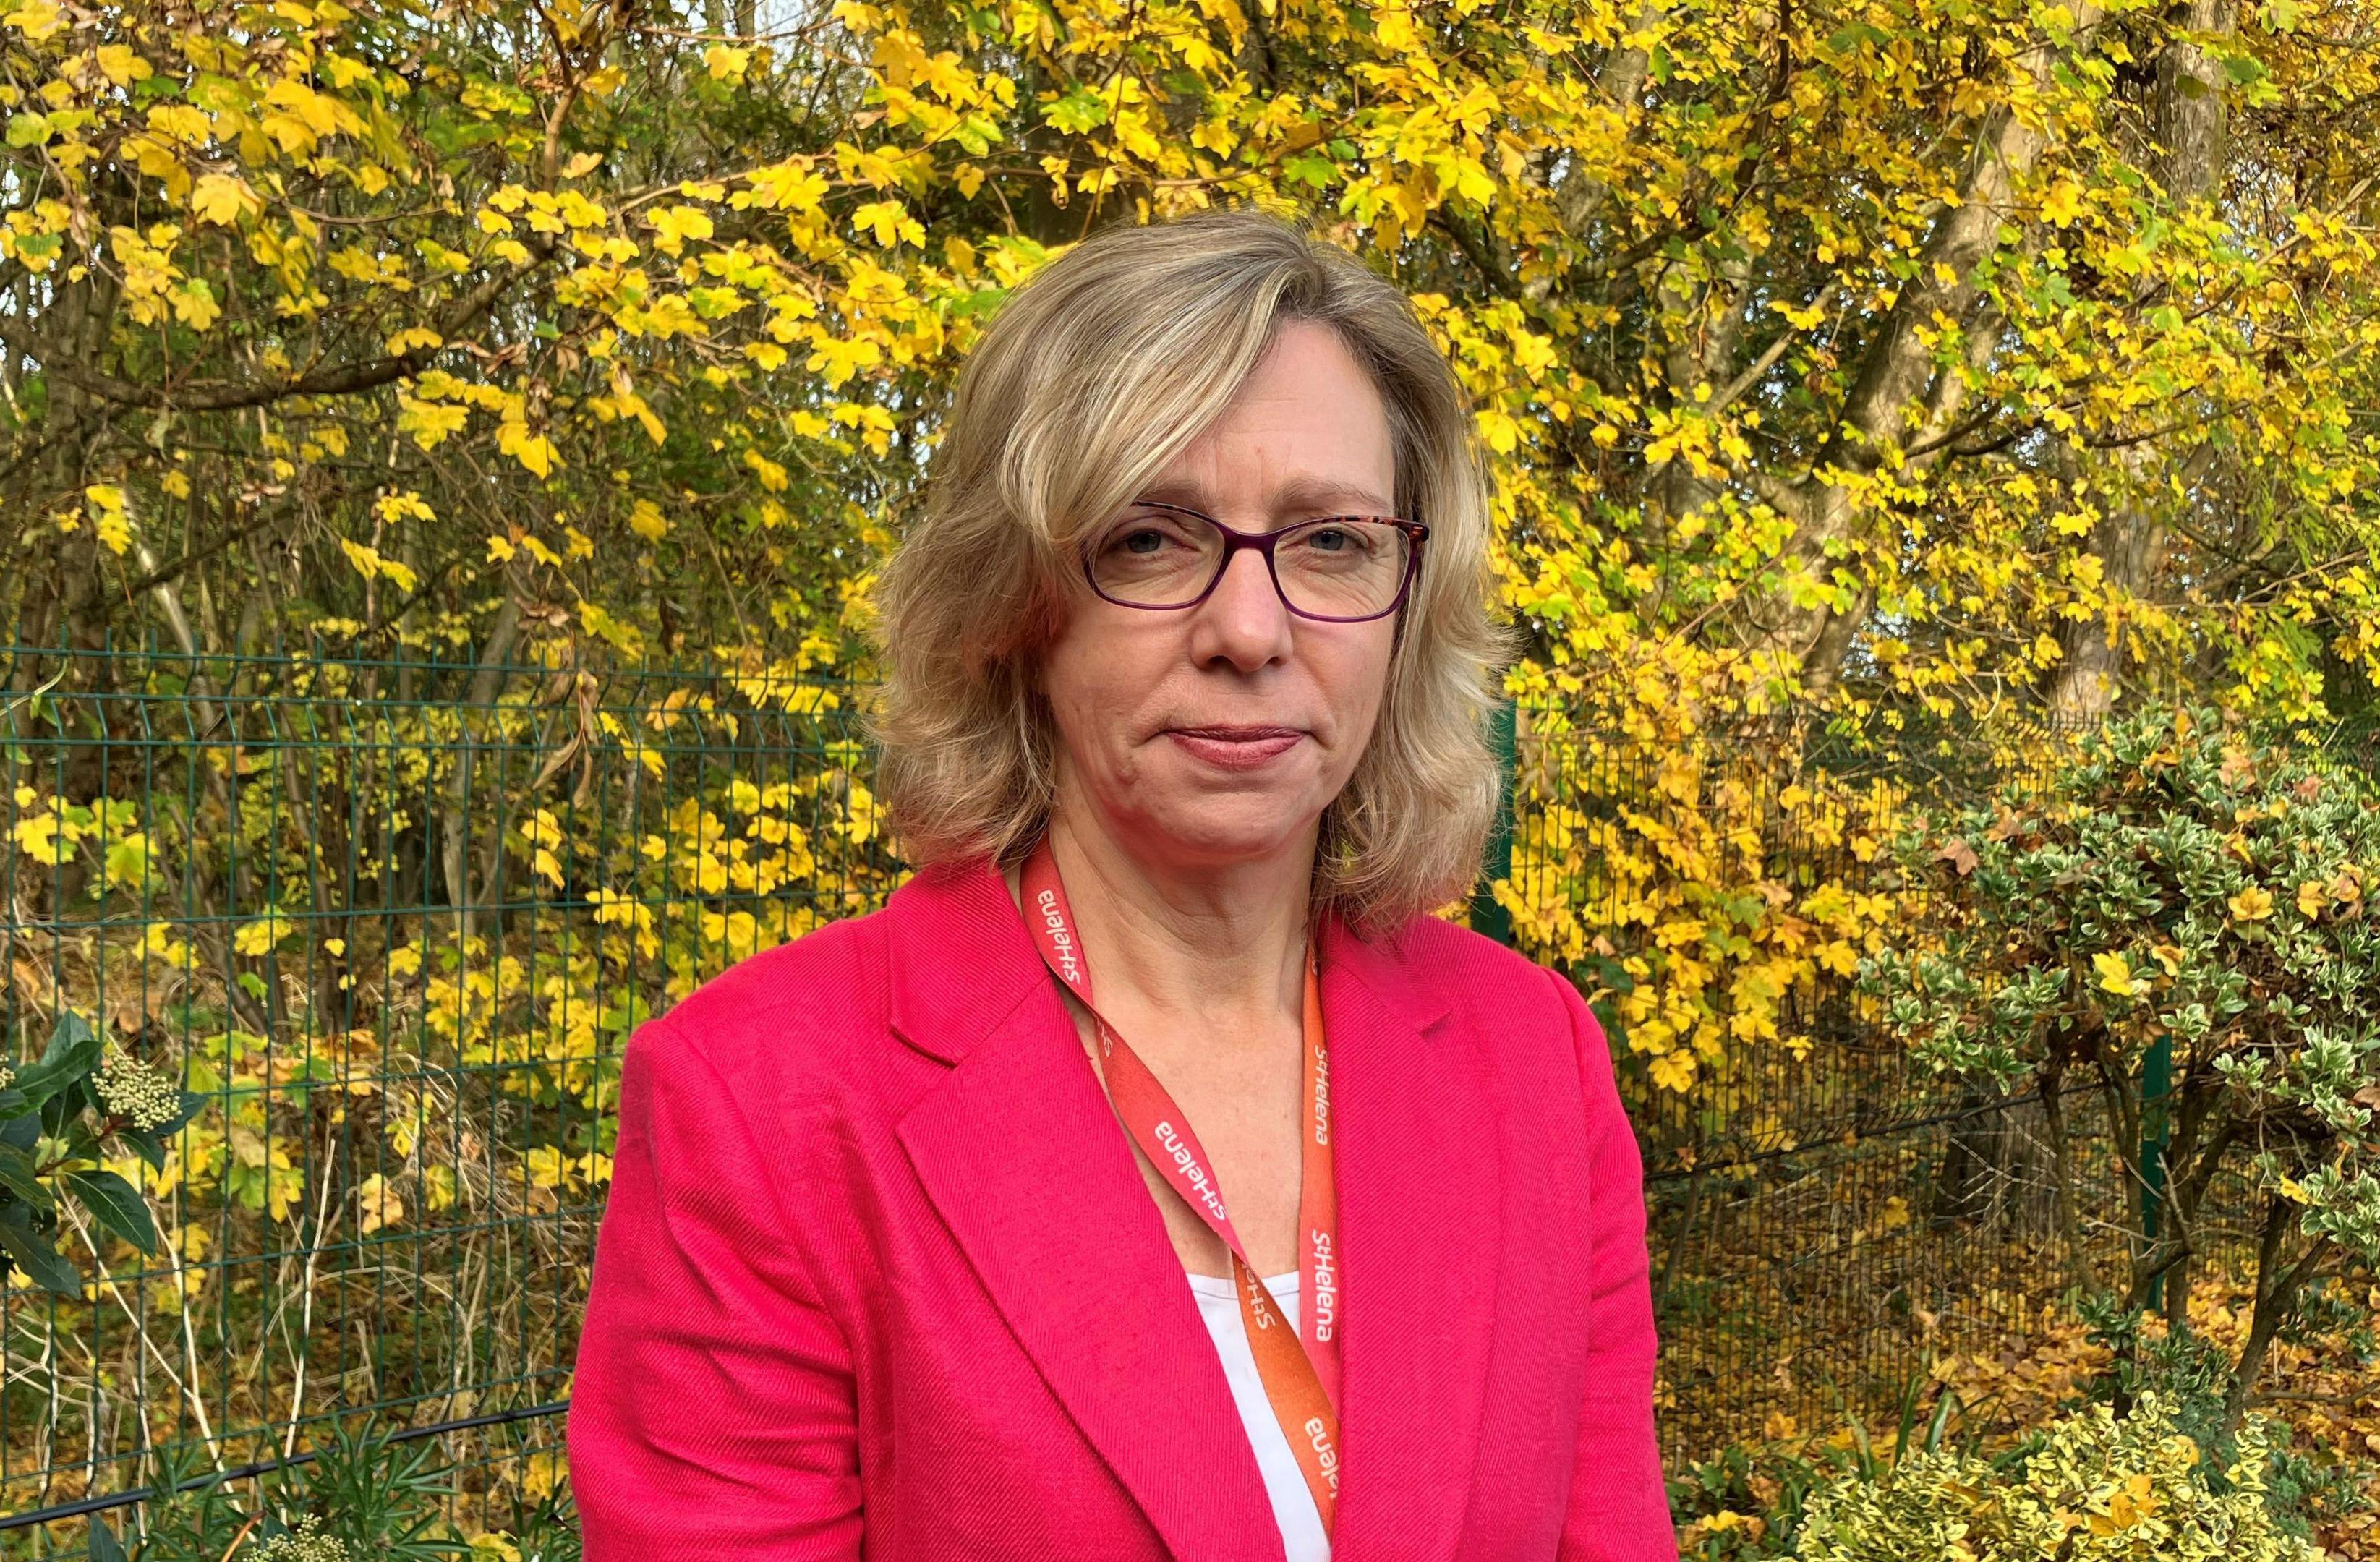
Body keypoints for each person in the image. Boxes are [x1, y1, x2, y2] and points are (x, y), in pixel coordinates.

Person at [568, 208, 1678, 1561]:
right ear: (1015, 605)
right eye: (1151, 539)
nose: (1251, 632)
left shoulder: (1534, 1061)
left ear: (1408, 600)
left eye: (1331, 542)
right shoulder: (766, 1103)